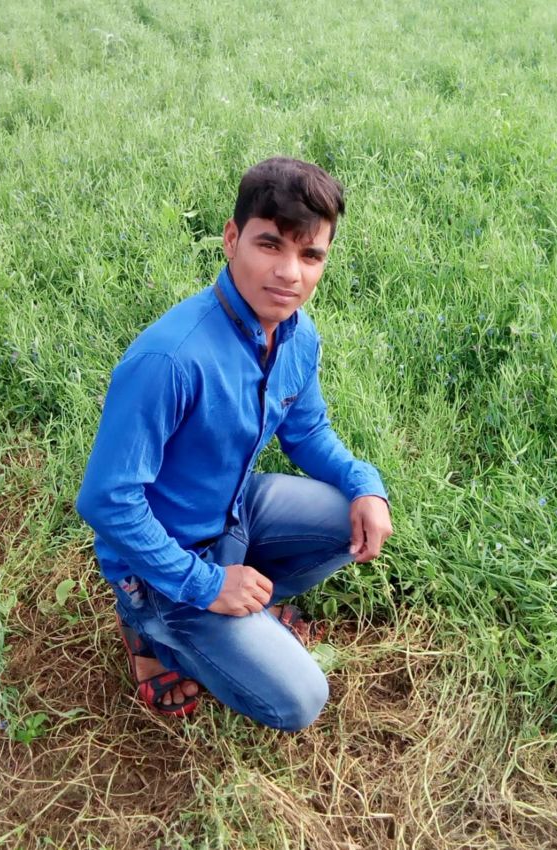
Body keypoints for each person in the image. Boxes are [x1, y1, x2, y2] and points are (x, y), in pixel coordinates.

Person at [76, 157, 392, 731]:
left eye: (310, 255)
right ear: (231, 239)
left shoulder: (297, 335)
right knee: (300, 699)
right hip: (162, 561)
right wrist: (206, 585)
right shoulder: (171, 358)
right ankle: (150, 631)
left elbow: (307, 431)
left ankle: (246, 606)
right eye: (270, 245)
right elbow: (107, 500)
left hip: (233, 511)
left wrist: (364, 485)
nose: (290, 273)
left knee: (350, 517)